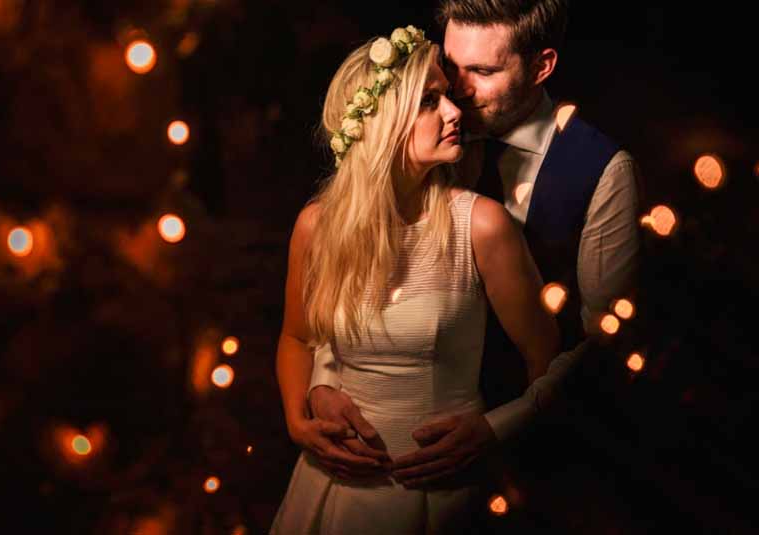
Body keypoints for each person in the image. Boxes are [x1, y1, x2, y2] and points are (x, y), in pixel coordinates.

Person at [305, 0, 643, 508]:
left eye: (483, 71)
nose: (458, 92)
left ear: (541, 66)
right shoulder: (424, 141)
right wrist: (324, 383)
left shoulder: (603, 173)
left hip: (533, 467)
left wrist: (501, 428)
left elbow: (607, 342)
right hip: (389, 455)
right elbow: (359, 280)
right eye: (452, 66)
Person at [271, 25, 560, 534]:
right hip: (332, 489)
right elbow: (297, 338)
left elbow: (549, 359)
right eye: (430, 101)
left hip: (441, 495)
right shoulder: (317, 227)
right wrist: (301, 419)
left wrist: (494, 432)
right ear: (382, 121)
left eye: (446, 95)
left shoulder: (482, 226)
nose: (454, 113)